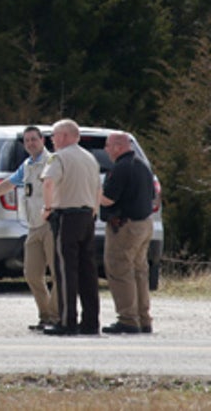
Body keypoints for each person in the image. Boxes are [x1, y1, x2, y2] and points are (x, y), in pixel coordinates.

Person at [0, 126, 58, 330]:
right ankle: (46, 316)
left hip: (52, 224)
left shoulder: (52, 162)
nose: (31, 143)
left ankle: (56, 317)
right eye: (27, 141)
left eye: (34, 139)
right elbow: (8, 184)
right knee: (32, 274)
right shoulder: (27, 165)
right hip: (33, 226)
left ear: (43, 140)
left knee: (58, 274)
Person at [40, 118, 101, 336]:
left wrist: (47, 208)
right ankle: (91, 322)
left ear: (64, 136)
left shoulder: (59, 157)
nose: (51, 140)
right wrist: (93, 211)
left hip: (66, 216)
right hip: (87, 217)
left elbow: (48, 182)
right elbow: (97, 189)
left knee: (66, 270)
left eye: (54, 136)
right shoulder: (90, 158)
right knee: (88, 272)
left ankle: (67, 322)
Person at [100, 132, 155, 334]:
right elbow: (153, 196)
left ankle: (128, 319)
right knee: (139, 271)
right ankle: (143, 318)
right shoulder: (143, 165)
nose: (106, 150)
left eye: (107, 145)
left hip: (125, 226)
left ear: (117, 146)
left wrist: (92, 191)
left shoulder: (121, 167)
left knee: (119, 270)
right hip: (145, 224)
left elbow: (108, 199)